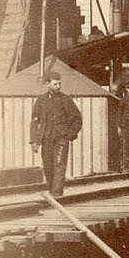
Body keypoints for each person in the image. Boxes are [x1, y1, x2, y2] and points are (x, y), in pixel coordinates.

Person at [29, 70, 83, 198]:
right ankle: (51, 189)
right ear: (48, 84)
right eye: (55, 84)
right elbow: (34, 121)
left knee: (59, 163)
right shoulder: (41, 100)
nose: (58, 86)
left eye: (59, 84)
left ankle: (57, 192)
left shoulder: (66, 99)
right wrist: (34, 141)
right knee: (48, 165)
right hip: (46, 138)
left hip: (62, 137)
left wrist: (70, 134)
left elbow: (77, 119)